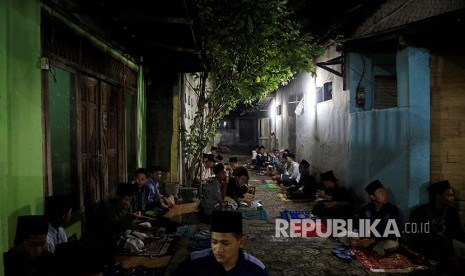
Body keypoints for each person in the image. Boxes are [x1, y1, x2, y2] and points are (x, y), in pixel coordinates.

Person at [173, 211, 269, 275]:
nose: (218, 249)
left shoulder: (256, 270)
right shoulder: (195, 262)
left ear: (241, 242)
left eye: (225, 243)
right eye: (214, 242)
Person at [409, 180, 465, 273]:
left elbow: (458, 234)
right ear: (438, 196)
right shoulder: (419, 213)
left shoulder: (451, 213)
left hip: (447, 254)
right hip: (426, 254)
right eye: (450, 195)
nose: (453, 198)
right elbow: (417, 238)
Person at [352, 179, 401, 256]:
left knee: (383, 246)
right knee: (349, 238)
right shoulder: (365, 209)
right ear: (373, 197)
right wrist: (360, 237)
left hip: (386, 238)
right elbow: (364, 228)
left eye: (385, 192)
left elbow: (391, 232)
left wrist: (371, 241)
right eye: (381, 192)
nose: (385, 195)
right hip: (372, 236)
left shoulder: (392, 210)